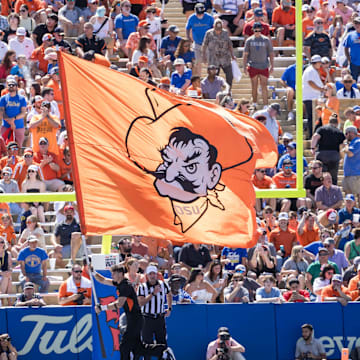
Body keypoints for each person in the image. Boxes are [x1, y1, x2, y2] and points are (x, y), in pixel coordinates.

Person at [94, 264, 168, 360]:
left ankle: (163, 350)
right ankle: (162, 350)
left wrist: (102, 308)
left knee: (124, 347)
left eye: (113, 273)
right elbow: (103, 280)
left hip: (135, 320)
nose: (111, 276)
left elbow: (120, 304)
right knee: (138, 349)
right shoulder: (119, 283)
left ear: (120, 274)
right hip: (134, 319)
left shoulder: (125, 286)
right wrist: (92, 272)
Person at [137, 265, 172, 359]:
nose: (152, 276)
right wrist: (153, 294)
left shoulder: (163, 284)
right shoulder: (142, 287)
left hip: (159, 318)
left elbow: (169, 294)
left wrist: (169, 308)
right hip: (147, 318)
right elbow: (141, 303)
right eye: (150, 274)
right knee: (147, 343)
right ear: (147, 276)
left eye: (154, 274)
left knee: (162, 343)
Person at [243, 22, 274, 106]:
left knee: (264, 85)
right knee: (254, 85)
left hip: (264, 65)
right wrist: (244, 66)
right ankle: (254, 103)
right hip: (253, 65)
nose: (257, 31)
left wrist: (272, 66)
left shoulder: (266, 40)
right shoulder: (249, 40)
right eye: (255, 30)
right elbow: (245, 54)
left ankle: (265, 105)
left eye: (259, 30)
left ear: (261, 30)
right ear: (253, 30)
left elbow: (271, 53)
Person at [311, 114, 345, 185]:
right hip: (334, 155)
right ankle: (333, 192)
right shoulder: (339, 132)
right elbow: (342, 146)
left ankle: (322, 191)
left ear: (329, 122)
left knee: (321, 175)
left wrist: (313, 148)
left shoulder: (322, 129)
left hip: (322, 154)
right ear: (337, 124)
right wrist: (342, 158)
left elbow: (315, 137)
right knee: (333, 177)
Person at [202, 19, 235, 87]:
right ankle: (214, 90)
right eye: (217, 29)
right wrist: (204, 56)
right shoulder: (209, 33)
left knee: (229, 75)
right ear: (213, 26)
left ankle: (228, 90)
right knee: (213, 76)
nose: (218, 31)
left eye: (220, 29)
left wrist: (232, 55)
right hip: (214, 58)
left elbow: (230, 45)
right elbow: (204, 45)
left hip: (225, 58)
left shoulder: (225, 33)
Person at [185, 3, 214, 76]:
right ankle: (198, 77)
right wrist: (188, 38)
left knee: (210, 62)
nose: (200, 15)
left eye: (201, 13)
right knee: (197, 62)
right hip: (197, 43)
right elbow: (188, 28)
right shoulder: (192, 18)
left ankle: (210, 77)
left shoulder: (209, 17)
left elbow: (214, 28)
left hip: (208, 43)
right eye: (198, 13)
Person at [0, 77, 27, 148]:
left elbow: (23, 113)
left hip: (19, 126)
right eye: (9, 85)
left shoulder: (22, 98)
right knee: (4, 147)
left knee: (19, 147)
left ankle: (18, 159)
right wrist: (11, 122)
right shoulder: (3, 98)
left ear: (16, 87)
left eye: (13, 85)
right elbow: (1, 112)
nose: (11, 86)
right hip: (6, 126)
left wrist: (13, 119)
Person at [343, 126, 360, 204]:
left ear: (352, 133)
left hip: (355, 174)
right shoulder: (351, 144)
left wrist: (346, 144)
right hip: (348, 174)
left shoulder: (357, 142)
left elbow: (350, 153)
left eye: (346, 133)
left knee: (357, 196)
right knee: (349, 197)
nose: (345, 136)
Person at [344, 16, 360, 81]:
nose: (357, 25)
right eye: (355, 23)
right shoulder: (350, 35)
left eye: (359, 23)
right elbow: (346, 48)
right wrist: (349, 60)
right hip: (354, 63)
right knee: (353, 81)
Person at [0, 236, 12, 304]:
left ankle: (2, 298)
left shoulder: (8, 254)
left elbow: (10, 267)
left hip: (5, 274)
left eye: (2, 242)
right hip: (1, 274)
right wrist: (2, 273)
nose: (0, 244)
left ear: (4, 243)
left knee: (8, 277)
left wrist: (9, 271)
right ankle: (8, 302)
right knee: (7, 279)